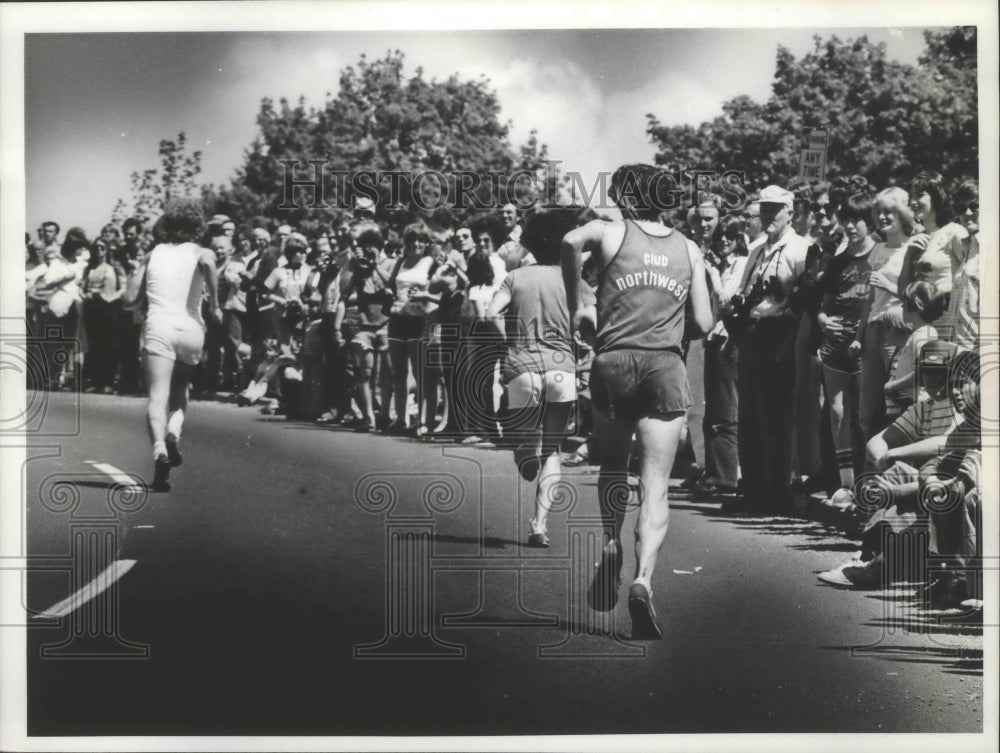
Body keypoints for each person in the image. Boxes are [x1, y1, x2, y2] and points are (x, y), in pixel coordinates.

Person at [562, 164, 713, 639]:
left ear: (625, 197)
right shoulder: (689, 248)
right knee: (657, 484)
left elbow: (569, 241)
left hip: (613, 363)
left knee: (612, 465)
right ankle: (644, 579)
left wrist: (578, 301)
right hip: (664, 366)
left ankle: (610, 542)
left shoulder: (609, 233)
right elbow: (705, 322)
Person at [488, 208, 593, 547]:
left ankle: (524, 451)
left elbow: (491, 313)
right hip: (562, 369)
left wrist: (510, 340)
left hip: (522, 368)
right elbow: (592, 320)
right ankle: (539, 526)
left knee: (525, 441)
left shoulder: (516, 277)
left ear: (533, 243)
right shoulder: (574, 279)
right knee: (554, 450)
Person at [122, 198, 221, 492]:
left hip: (159, 327)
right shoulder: (201, 251)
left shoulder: (154, 253)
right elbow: (209, 263)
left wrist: (139, 266)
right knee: (181, 389)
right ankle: (174, 433)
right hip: (191, 328)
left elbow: (129, 300)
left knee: (157, 396)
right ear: (198, 227)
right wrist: (215, 304)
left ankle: (159, 451)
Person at [731, 185, 810, 513]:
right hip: (753, 331)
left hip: (781, 332)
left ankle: (777, 493)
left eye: (775, 210)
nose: (768, 217)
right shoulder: (758, 249)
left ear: (790, 213)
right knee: (750, 415)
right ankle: (753, 490)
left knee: (777, 417)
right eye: (763, 210)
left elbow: (806, 297)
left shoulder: (800, 248)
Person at [815, 192, 876, 507]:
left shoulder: (881, 255)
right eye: (846, 220)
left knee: (864, 415)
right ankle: (845, 486)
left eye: (857, 220)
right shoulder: (836, 262)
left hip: (868, 347)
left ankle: (869, 485)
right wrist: (824, 323)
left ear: (870, 221)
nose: (851, 227)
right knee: (837, 413)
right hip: (835, 348)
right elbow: (822, 309)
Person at [857, 187, 916, 437]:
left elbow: (918, 297)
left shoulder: (914, 248)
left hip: (897, 332)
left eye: (889, 212)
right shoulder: (878, 250)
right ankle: (869, 471)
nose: (882, 217)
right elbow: (869, 299)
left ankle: (894, 468)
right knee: (867, 408)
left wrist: (890, 286)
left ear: (902, 214)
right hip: (873, 329)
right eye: (878, 212)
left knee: (895, 405)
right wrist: (858, 336)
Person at [698, 216, 749, 493]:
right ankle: (715, 471)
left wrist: (714, 275)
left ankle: (726, 475)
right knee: (714, 409)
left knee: (727, 410)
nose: (725, 241)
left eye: (730, 235)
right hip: (715, 337)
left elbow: (727, 301)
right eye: (721, 236)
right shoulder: (724, 264)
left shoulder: (742, 263)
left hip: (730, 339)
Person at [897, 170, 968, 340]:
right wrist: (908, 256)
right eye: (911, 197)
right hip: (921, 329)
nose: (913, 202)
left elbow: (972, 280)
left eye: (920, 195)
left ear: (937, 197)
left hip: (949, 329)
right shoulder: (919, 239)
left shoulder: (954, 232)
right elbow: (903, 291)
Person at [384, 223, 436, 435]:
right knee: (398, 372)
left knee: (419, 372)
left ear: (426, 243)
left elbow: (437, 287)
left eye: (421, 240)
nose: (417, 244)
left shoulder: (430, 262)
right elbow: (390, 284)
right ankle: (401, 419)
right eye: (413, 240)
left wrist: (424, 294)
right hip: (397, 318)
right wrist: (389, 294)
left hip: (418, 320)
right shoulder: (401, 262)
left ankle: (421, 421)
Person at [81, 237, 123, 393]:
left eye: (102, 247)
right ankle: (96, 380)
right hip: (92, 309)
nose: (98, 250)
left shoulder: (113, 267)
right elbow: (82, 286)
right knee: (94, 345)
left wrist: (109, 297)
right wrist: (85, 295)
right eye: (96, 247)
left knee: (108, 345)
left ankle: (108, 381)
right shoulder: (89, 268)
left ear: (106, 250)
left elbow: (122, 287)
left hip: (108, 309)